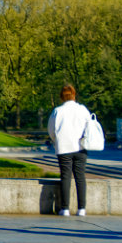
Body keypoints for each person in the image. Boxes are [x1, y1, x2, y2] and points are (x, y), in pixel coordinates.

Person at [47, 84, 93, 216]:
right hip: (80, 147)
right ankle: (81, 208)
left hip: (64, 147)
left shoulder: (58, 111)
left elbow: (51, 130)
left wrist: (56, 140)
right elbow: (89, 128)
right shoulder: (83, 110)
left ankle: (65, 208)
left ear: (62, 97)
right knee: (80, 177)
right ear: (74, 95)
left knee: (65, 177)